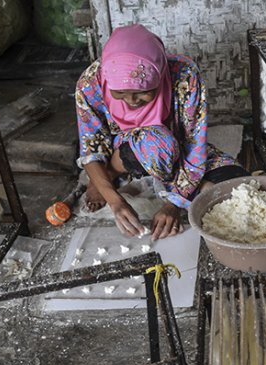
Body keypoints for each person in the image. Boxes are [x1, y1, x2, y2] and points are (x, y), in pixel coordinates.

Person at [75, 24, 247, 240]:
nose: (131, 101)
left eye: (143, 93)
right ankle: (110, 173)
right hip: (130, 153)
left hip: (179, 150)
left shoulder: (184, 74)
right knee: (155, 145)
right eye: (120, 93)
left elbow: (195, 144)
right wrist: (115, 201)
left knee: (236, 189)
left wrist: (174, 204)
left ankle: (162, 180)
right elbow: (91, 147)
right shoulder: (91, 82)